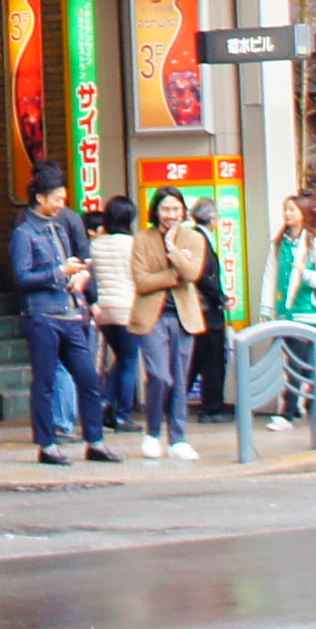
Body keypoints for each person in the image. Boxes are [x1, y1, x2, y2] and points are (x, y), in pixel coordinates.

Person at [8, 171, 109, 464]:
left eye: (63, 200)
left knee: (89, 377)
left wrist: (80, 276)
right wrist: (59, 273)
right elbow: (22, 277)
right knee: (45, 381)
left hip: (69, 312)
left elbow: (72, 263)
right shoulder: (24, 233)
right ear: (40, 198)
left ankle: (95, 441)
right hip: (42, 315)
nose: (61, 206)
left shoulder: (59, 228)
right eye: (57, 200)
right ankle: (47, 445)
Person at [136, 190, 211, 460]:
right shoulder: (142, 239)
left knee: (180, 379)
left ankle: (178, 438)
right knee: (159, 375)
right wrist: (172, 275)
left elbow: (192, 274)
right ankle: (152, 433)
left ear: (183, 212)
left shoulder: (194, 238)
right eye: (166, 210)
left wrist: (172, 247)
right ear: (156, 211)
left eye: (176, 210)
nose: (171, 215)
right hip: (152, 316)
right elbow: (141, 281)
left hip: (183, 316)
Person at [260, 190, 316, 434]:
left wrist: (305, 274)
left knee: (302, 364)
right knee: (300, 364)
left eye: (292, 210)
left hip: (309, 315)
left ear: (304, 213)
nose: (288, 214)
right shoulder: (279, 245)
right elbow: (270, 277)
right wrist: (266, 308)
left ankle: (290, 412)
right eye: (286, 210)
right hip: (286, 313)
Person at [85, 195, 143, 442]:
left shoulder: (96, 245)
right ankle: (122, 415)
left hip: (104, 311)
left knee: (119, 359)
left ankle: (105, 404)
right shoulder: (133, 244)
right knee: (129, 361)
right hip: (127, 308)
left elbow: (90, 277)